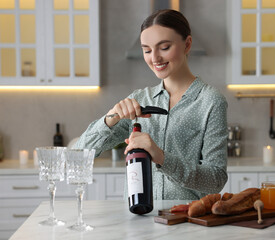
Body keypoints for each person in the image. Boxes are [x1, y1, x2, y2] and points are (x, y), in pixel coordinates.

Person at [75, 9, 228, 200]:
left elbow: (216, 179)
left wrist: (161, 157)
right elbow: (78, 155)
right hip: (136, 220)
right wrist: (111, 117)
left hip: (185, 219)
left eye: (164, 48)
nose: (154, 58)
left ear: (187, 44)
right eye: (147, 50)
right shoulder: (139, 100)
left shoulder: (210, 101)